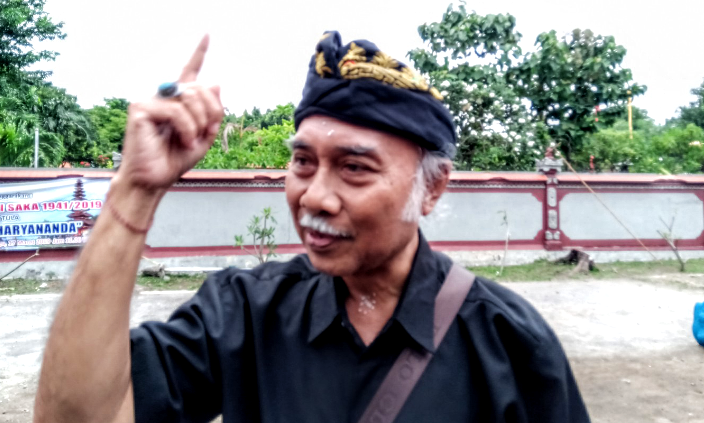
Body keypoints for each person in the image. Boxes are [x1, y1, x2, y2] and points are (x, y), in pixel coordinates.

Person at [34, 32, 590, 423]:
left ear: (434, 187)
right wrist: (134, 189)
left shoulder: (507, 343)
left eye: (354, 167)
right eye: (302, 162)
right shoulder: (245, 314)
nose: (315, 196)